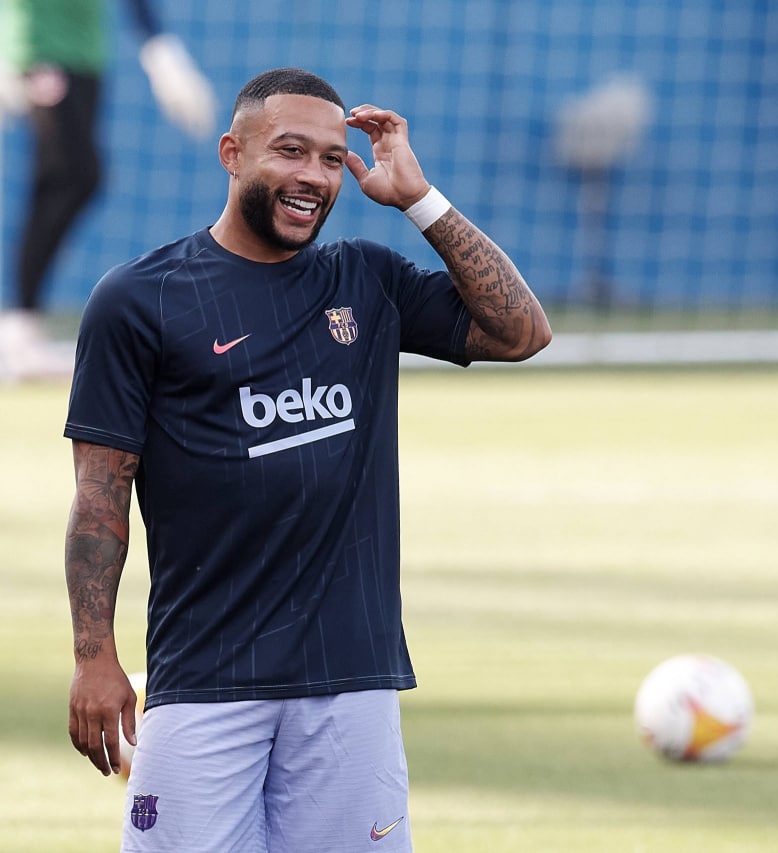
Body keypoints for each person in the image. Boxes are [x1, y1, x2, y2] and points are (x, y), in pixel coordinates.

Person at [62, 67, 551, 852]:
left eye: (330, 159)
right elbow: (98, 495)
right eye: (290, 151)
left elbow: (521, 331)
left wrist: (420, 200)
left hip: (350, 677)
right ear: (232, 153)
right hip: (205, 675)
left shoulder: (367, 279)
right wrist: (94, 657)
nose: (314, 177)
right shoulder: (138, 299)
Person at [0, 0, 216, 381]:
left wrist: (161, 52)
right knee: (70, 174)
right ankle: (19, 327)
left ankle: (23, 326)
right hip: (39, 46)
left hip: (85, 50)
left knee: (69, 178)